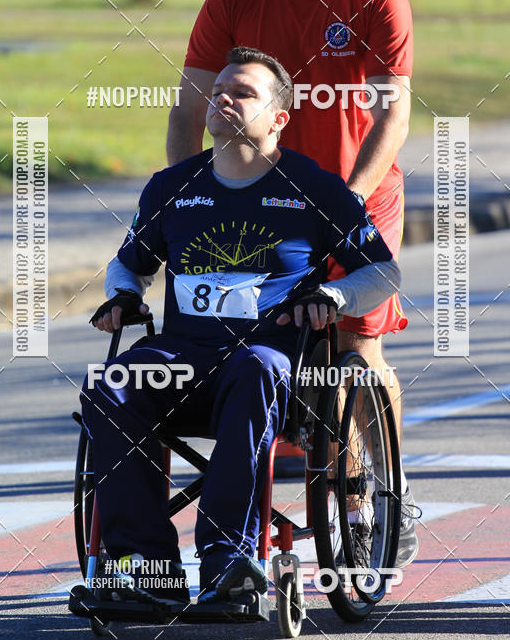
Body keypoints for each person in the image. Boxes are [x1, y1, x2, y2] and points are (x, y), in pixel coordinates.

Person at [166, 0, 419, 567]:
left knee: (354, 345)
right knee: (253, 333)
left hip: (357, 190)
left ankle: (382, 489)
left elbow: (390, 119)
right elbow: (189, 107)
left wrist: (349, 207)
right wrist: (186, 199)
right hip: (259, 199)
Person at [82, 47, 401, 609]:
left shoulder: (316, 189)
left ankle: (228, 560)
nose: (224, 98)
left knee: (256, 368)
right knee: (110, 384)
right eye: (220, 89)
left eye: (244, 93)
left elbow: (383, 271)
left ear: (279, 118)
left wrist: (334, 294)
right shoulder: (171, 186)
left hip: (273, 367)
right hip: (180, 365)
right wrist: (124, 295)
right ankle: (143, 569)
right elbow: (129, 261)